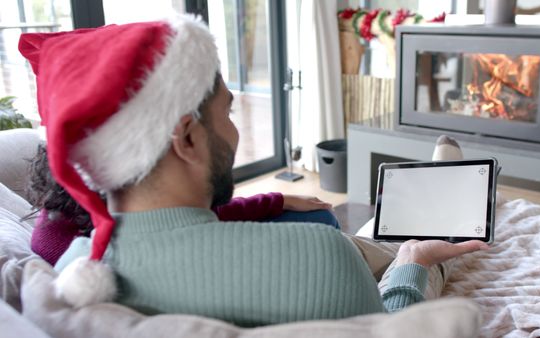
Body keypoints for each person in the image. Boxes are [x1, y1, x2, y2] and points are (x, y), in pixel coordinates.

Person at [18, 14, 488, 326]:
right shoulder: (318, 257)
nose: (236, 130)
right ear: (187, 139)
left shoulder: (71, 273)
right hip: (344, 269)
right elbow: (392, 325)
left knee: (375, 238)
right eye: (227, 112)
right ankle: (430, 216)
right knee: (412, 251)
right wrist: (413, 266)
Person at [25, 144, 339, 266]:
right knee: (323, 229)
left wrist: (279, 198)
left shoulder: (114, 199)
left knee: (319, 217)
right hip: (201, 256)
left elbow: (202, 214)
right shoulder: (61, 243)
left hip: (199, 237)